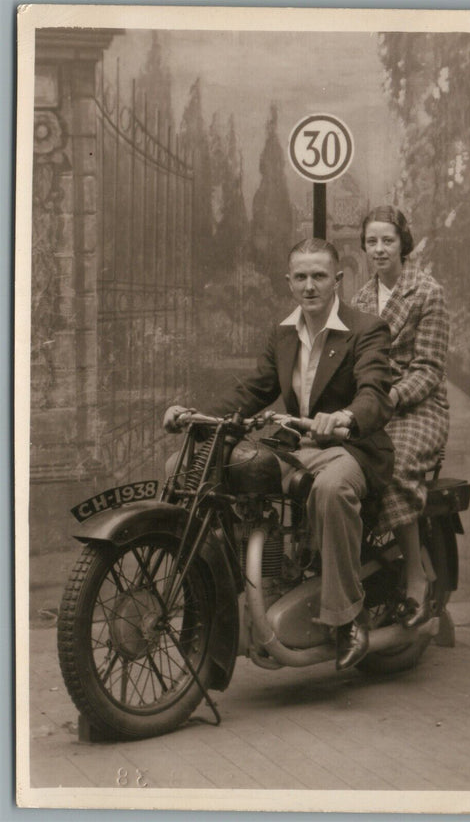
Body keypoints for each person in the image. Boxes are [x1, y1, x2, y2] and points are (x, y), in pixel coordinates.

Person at [164, 237, 394, 670]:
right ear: (289, 282)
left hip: (352, 448)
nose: (310, 286)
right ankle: (243, 595)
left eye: (320, 276)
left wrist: (344, 416)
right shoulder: (284, 332)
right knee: (219, 470)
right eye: (301, 277)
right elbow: (253, 389)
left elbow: (375, 393)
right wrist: (195, 415)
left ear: (338, 281)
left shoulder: (366, 329)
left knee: (330, 490)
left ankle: (348, 618)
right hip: (299, 447)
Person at [353, 205, 450, 628]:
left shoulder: (428, 292)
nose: (378, 249)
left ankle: (415, 576)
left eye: (386, 240)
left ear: (402, 244)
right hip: (374, 404)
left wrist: (389, 398)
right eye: (371, 241)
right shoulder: (358, 298)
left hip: (418, 406)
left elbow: (428, 368)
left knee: (393, 462)